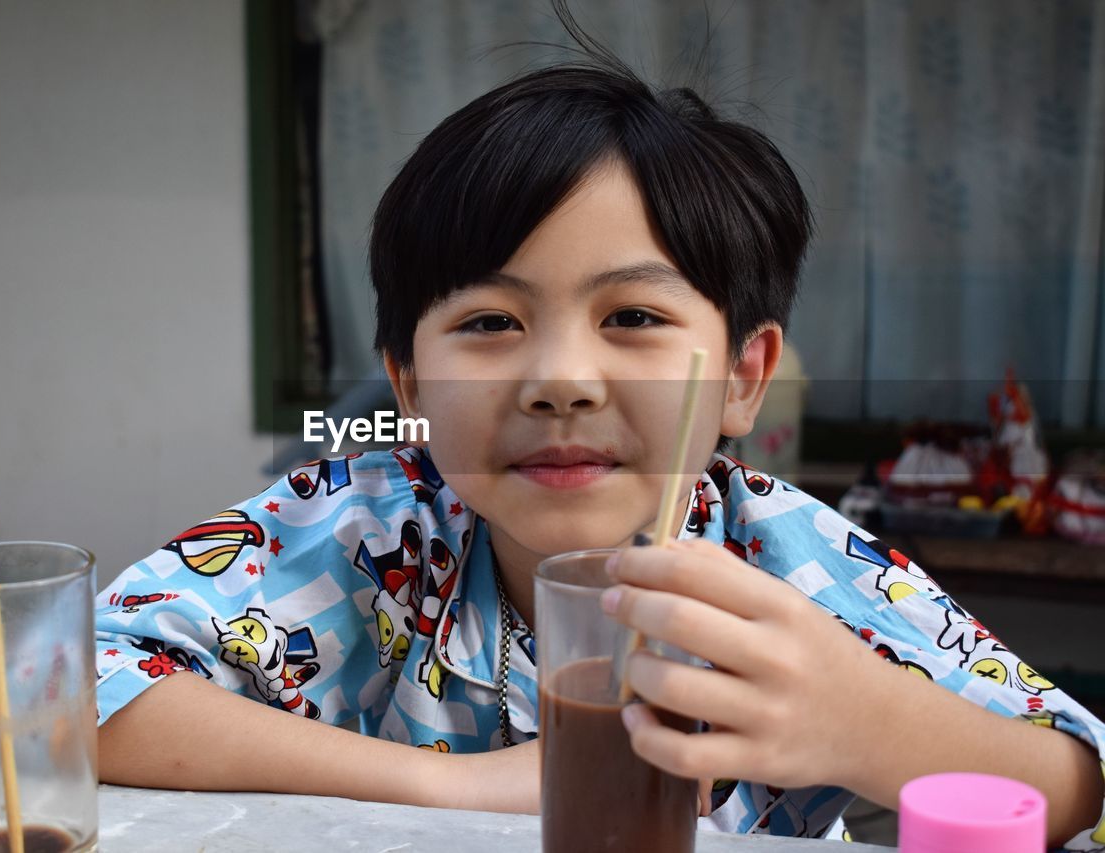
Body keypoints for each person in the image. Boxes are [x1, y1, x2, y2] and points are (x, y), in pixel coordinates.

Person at [93, 10, 1105, 848]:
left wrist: (867, 723)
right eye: (489, 323)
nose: (562, 380)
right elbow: (50, 683)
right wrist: (467, 787)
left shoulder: (785, 569)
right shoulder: (364, 528)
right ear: (409, 382)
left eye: (633, 318)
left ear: (742, 378)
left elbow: (1076, 778)